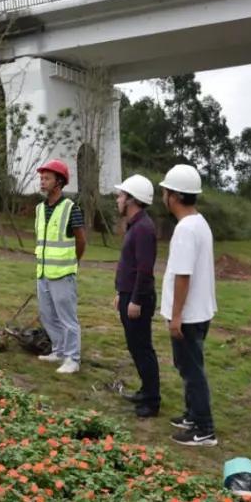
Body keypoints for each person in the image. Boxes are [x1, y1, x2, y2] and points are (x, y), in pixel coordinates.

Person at [159, 164, 218, 447]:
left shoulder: (185, 229)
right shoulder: (199, 222)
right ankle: (193, 415)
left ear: (174, 196)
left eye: (165, 191)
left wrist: (176, 315)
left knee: (192, 370)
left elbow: (183, 276)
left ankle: (204, 428)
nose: (163, 196)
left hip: (188, 314)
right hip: (199, 311)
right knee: (188, 366)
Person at [112, 174, 160, 418]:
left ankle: (152, 401)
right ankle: (146, 389)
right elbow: (128, 265)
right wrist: (121, 293)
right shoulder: (134, 225)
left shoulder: (143, 229)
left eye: (121, 196)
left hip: (137, 298)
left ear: (132, 199)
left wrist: (136, 301)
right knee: (135, 346)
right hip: (128, 294)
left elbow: (145, 270)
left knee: (142, 348)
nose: (117, 199)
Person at [34, 159, 87, 375]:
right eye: (41, 178)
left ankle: (72, 359)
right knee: (47, 315)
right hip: (43, 272)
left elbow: (81, 240)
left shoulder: (71, 208)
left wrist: (74, 261)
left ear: (59, 182)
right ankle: (58, 350)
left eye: (47, 178)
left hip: (63, 273)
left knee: (67, 318)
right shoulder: (39, 209)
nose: (42, 182)